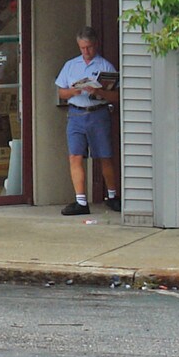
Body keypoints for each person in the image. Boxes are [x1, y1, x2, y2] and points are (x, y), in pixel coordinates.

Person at [55, 26, 119, 215]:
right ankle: (81, 201)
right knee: (75, 156)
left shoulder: (105, 66)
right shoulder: (71, 65)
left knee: (104, 155)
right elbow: (61, 91)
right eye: (82, 48)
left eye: (89, 47)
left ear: (95, 45)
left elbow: (115, 95)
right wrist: (73, 91)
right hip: (76, 113)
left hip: (98, 112)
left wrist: (98, 91)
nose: (86, 51)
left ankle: (113, 196)